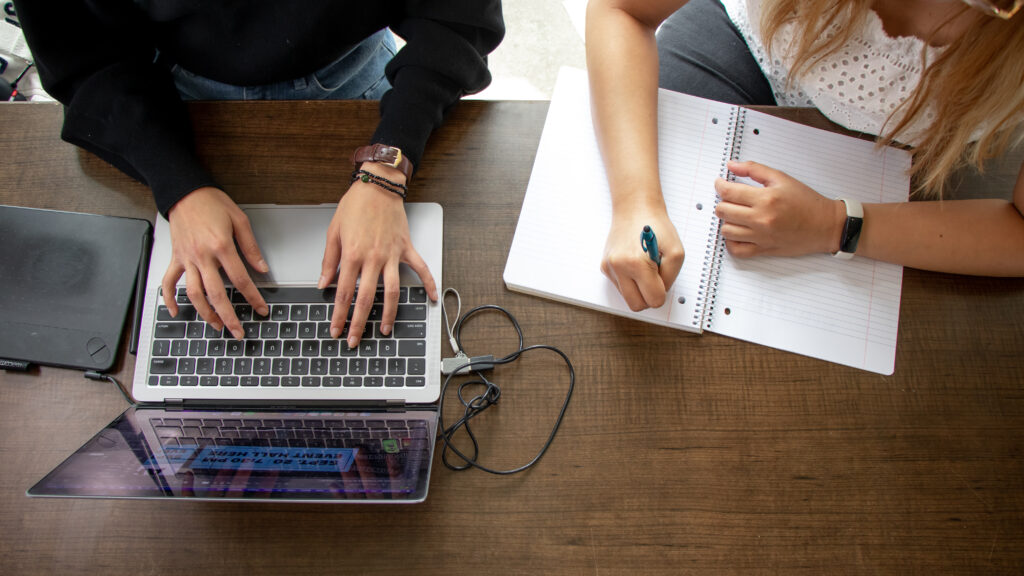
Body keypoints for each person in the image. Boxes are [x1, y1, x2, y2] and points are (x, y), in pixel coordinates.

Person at [13, 1, 504, 347]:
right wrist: (178, 186)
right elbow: (81, 53)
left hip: (359, 82)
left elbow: (458, 16)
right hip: (170, 102)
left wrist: (386, 166)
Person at [586, 0, 1024, 312]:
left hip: (911, 157)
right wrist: (635, 202)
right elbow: (621, 8)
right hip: (745, 46)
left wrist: (833, 224)